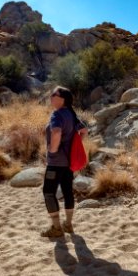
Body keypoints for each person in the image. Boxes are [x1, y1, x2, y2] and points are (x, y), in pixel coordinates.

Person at [41, 86, 87, 238]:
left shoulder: (57, 114)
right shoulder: (71, 115)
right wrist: (74, 146)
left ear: (63, 99)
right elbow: (84, 131)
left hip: (55, 163)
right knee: (67, 191)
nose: (51, 96)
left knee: (48, 192)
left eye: (54, 94)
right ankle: (68, 224)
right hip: (69, 163)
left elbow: (56, 132)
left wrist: (53, 150)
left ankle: (56, 228)